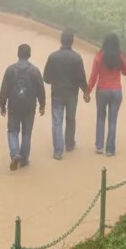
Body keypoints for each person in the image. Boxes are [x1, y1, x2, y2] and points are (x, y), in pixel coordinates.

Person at [43, 29, 89, 160]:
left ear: (61, 40)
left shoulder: (53, 57)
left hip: (57, 93)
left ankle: (58, 151)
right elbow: (81, 78)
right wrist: (86, 91)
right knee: (71, 118)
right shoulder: (77, 58)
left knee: (57, 121)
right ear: (72, 41)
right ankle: (69, 144)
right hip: (72, 94)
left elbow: (46, 78)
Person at [0, 43, 46, 170]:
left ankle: (15, 154)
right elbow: (40, 89)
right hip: (29, 107)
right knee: (26, 133)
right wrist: (42, 104)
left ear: (18, 54)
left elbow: (4, 89)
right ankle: (24, 159)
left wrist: (2, 105)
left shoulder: (10, 70)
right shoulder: (34, 71)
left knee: (12, 131)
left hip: (14, 106)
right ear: (29, 55)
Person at [85, 34, 126, 157]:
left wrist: (88, 91)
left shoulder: (99, 57)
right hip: (116, 90)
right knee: (113, 120)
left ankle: (99, 146)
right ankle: (110, 149)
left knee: (100, 118)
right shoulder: (120, 56)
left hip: (102, 90)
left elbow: (93, 76)